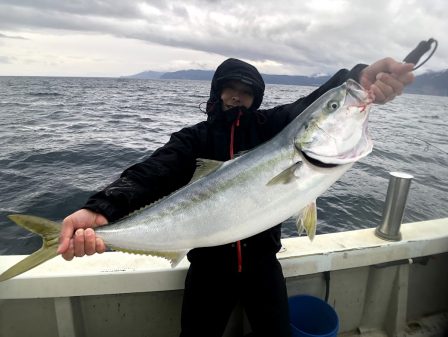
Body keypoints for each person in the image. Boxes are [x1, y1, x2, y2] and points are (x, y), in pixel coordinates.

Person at [57, 57, 414, 337]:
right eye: (229, 89)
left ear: (255, 96)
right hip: (209, 269)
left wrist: (360, 77)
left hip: (262, 265)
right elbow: (150, 173)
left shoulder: (271, 127)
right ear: (217, 92)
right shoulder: (192, 139)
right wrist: (100, 209)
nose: (236, 96)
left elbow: (310, 106)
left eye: (245, 91)